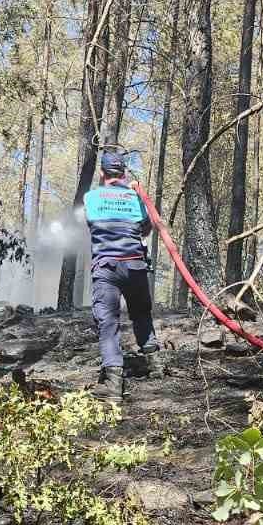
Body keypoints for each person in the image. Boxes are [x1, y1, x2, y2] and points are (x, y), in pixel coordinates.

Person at [83, 151, 163, 401]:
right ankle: (155, 364)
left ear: (102, 173)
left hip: (107, 269)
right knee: (141, 313)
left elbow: (92, 223)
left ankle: (113, 383)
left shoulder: (91, 198)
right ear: (124, 173)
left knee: (107, 322)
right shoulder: (135, 197)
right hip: (135, 266)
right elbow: (147, 227)